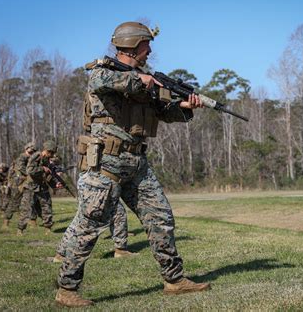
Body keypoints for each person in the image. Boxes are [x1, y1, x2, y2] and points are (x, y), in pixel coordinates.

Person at [55, 21, 209, 307]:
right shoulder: (104, 72)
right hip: (106, 164)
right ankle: (67, 289)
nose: (149, 50)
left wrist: (184, 108)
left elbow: (161, 111)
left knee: (161, 219)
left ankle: (174, 280)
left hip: (137, 164)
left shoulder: (144, 79)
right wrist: (142, 81)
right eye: (146, 45)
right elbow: (101, 81)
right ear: (133, 45)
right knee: (89, 225)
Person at [17, 141, 62, 236]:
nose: (52, 155)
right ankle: (20, 230)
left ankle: (48, 229)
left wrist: (55, 184)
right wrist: (42, 169)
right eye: (52, 153)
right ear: (47, 150)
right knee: (26, 209)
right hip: (30, 187)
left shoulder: (47, 159)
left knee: (47, 208)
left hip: (42, 187)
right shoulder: (36, 156)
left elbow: (48, 175)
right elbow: (30, 171)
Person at [3, 143, 37, 229]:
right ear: (26, 150)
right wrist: (30, 174)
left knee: (31, 202)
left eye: (33, 152)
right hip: (18, 184)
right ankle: (6, 222)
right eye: (30, 152)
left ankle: (32, 222)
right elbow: (21, 168)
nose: (31, 154)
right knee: (14, 203)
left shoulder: (32, 159)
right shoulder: (22, 157)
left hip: (28, 183)